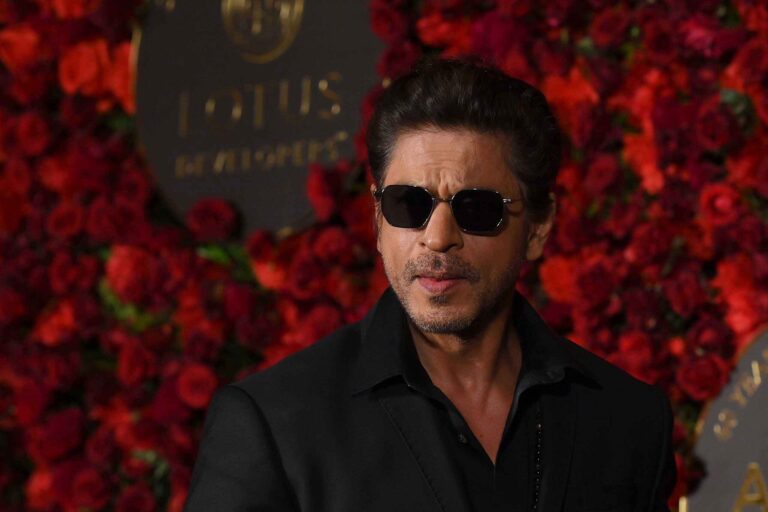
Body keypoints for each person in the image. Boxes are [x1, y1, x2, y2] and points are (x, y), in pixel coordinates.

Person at [184, 59, 677, 512]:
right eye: (408, 205)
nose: (438, 238)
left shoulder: (630, 420)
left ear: (538, 228)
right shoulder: (275, 422)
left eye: (478, 209)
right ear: (378, 220)